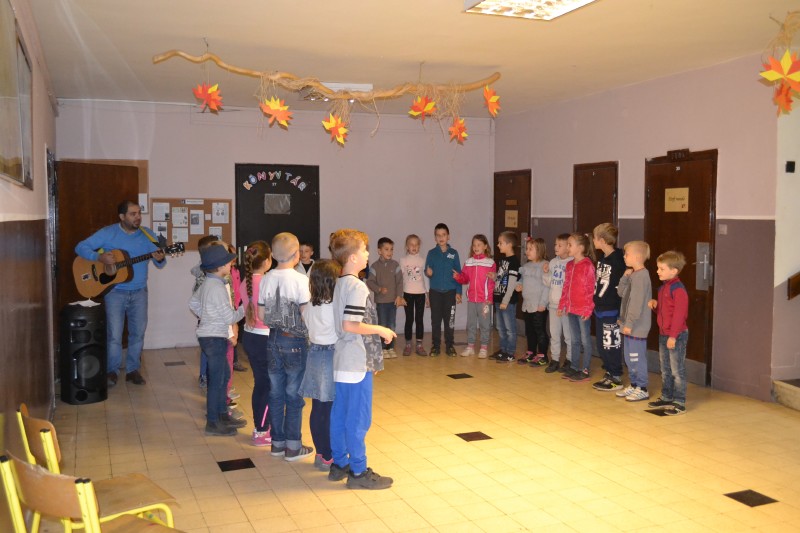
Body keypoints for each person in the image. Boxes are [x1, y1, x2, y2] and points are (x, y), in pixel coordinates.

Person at [328, 229, 396, 489]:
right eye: (364, 250)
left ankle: (339, 464)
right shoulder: (357, 286)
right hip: (356, 363)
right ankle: (358, 471)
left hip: (342, 362)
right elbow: (350, 324)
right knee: (358, 419)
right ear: (353, 257)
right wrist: (381, 329)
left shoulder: (339, 283)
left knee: (340, 414)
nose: (368, 254)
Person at [75, 200, 166, 386]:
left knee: (138, 333)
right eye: (133, 214)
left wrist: (160, 258)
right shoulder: (108, 233)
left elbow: (160, 262)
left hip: (139, 292)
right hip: (115, 292)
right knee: (114, 335)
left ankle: (133, 370)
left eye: (139, 213)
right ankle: (111, 371)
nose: (138, 217)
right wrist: (98, 257)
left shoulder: (148, 235)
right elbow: (80, 247)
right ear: (122, 216)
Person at [258, 232, 314, 462]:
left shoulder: (266, 278)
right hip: (295, 341)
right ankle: (293, 446)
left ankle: (277, 443)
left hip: (272, 340)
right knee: (294, 395)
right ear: (297, 254)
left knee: (276, 392)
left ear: (272, 254)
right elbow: (306, 313)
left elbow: (261, 314)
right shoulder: (301, 280)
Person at [189, 243, 247, 436]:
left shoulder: (208, 282)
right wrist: (245, 308)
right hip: (214, 338)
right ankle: (213, 422)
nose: (230, 265)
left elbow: (193, 302)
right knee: (216, 381)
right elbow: (230, 318)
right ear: (220, 266)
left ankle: (222, 415)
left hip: (211, 335)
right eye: (228, 262)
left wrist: (206, 315)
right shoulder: (217, 288)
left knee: (223, 376)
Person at [298, 259, 340, 471]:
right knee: (330, 410)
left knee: (318, 408)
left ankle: (321, 453)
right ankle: (328, 455)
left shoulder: (309, 306)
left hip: (314, 355)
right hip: (330, 356)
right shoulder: (333, 307)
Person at [239, 240, 273, 446]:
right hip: (264, 338)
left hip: (250, 336)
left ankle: (261, 428)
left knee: (260, 384)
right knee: (268, 386)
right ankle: (262, 431)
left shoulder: (246, 281)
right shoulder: (266, 283)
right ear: (267, 261)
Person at [647, 251, 689, 415]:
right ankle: (666, 396)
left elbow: (679, 315)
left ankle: (679, 401)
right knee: (665, 368)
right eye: (658, 268)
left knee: (677, 370)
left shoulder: (678, 290)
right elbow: (664, 312)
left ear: (674, 271)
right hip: (664, 334)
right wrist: (655, 305)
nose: (658, 271)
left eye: (661, 269)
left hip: (676, 335)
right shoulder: (663, 287)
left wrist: (673, 336)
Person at [591, 223, 627, 392]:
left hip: (611, 309)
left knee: (611, 344)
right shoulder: (602, 259)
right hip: (600, 308)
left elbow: (622, 286)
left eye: (595, 238)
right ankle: (609, 372)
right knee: (601, 344)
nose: (593, 241)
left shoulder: (618, 260)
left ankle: (616, 377)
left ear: (602, 240)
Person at [615, 241, 653, 402]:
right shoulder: (633, 275)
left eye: (627, 254)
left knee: (637, 358)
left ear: (637, 257)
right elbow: (621, 293)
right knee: (629, 357)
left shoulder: (642, 276)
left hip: (637, 326)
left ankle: (642, 388)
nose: (624, 256)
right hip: (628, 325)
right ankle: (634, 384)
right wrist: (625, 277)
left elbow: (637, 303)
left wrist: (629, 323)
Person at [557, 233, 596, 381]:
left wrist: (588, 309)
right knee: (574, 340)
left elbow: (591, 289)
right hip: (571, 309)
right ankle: (574, 367)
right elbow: (566, 286)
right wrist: (562, 304)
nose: (567, 247)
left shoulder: (587, 265)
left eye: (570, 245)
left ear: (580, 248)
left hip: (583, 310)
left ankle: (585, 369)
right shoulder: (569, 265)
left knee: (585, 341)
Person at [452, 234, 495, 358]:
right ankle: (470, 346)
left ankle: (484, 347)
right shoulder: (469, 262)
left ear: (485, 246)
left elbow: (491, 283)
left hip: (484, 301)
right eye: (474, 245)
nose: (476, 247)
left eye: (479, 245)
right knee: (471, 323)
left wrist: (489, 299)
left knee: (484, 324)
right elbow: (465, 279)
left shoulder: (490, 263)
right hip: (471, 299)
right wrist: (458, 277)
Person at [424, 223, 462, 357]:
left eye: (443, 235)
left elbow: (458, 274)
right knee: (435, 321)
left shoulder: (454, 253)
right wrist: (428, 272)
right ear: (435, 237)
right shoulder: (431, 253)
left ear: (448, 236)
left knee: (449, 320)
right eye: (438, 235)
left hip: (450, 292)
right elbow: (427, 270)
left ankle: (450, 345)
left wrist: (458, 292)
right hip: (435, 292)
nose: (441, 237)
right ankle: (435, 346)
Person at [192, 234, 222, 389]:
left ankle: (213, 376)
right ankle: (204, 375)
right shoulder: (204, 274)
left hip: (215, 317)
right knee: (207, 349)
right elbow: (196, 297)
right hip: (207, 317)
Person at [365, 237, 403, 358]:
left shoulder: (395, 265)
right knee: (382, 324)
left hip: (393, 301)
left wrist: (399, 296)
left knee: (391, 324)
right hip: (381, 302)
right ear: (379, 251)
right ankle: (383, 348)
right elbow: (370, 282)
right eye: (386, 249)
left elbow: (400, 282)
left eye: (391, 249)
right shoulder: (375, 266)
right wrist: (379, 289)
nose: (389, 252)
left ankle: (390, 347)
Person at [543, 234, 573, 374]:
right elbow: (549, 283)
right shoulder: (553, 262)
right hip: (553, 304)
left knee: (568, 335)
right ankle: (554, 359)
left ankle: (569, 360)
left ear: (568, 247)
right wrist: (546, 273)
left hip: (566, 306)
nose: (556, 247)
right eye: (555, 244)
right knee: (554, 334)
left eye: (560, 245)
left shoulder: (572, 262)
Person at [517, 238, 550, 366]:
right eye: (527, 249)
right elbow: (521, 279)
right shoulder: (526, 266)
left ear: (539, 250)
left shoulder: (545, 265)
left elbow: (547, 286)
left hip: (539, 306)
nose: (527, 251)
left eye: (531, 249)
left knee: (540, 331)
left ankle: (542, 355)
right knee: (529, 330)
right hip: (527, 305)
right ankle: (531, 352)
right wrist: (519, 284)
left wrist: (543, 303)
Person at [398, 234, 429, 356]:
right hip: (407, 293)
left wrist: (428, 295)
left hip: (420, 293)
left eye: (416, 244)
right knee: (409, 319)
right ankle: (408, 344)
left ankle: (419, 345)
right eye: (411, 244)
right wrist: (400, 295)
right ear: (407, 246)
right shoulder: (403, 260)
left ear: (419, 246)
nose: (414, 247)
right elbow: (400, 279)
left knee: (419, 319)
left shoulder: (422, 260)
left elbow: (426, 278)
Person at [493, 231, 521, 362]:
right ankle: (503, 349)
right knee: (501, 327)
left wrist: (505, 300)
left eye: (500, 243)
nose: (498, 245)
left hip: (507, 301)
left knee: (510, 328)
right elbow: (501, 278)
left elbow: (511, 283)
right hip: (498, 298)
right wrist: (494, 277)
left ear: (509, 245)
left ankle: (510, 352)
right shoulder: (502, 260)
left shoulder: (514, 261)